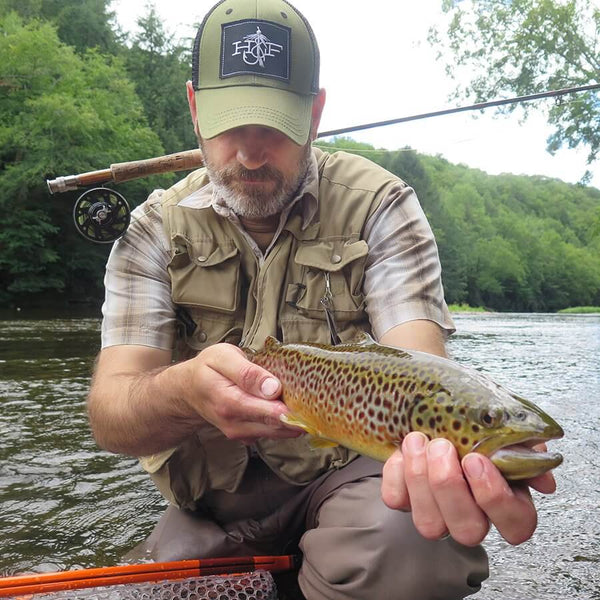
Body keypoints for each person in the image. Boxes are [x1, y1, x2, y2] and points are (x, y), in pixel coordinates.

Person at [87, 0, 557, 598]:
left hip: (351, 487)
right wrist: (184, 390)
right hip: (210, 509)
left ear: (315, 112)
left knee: (417, 541)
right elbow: (113, 411)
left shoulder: (381, 206)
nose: (252, 153)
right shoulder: (153, 229)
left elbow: (418, 373)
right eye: (233, 123)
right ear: (195, 107)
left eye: (275, 126)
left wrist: (464, 451)